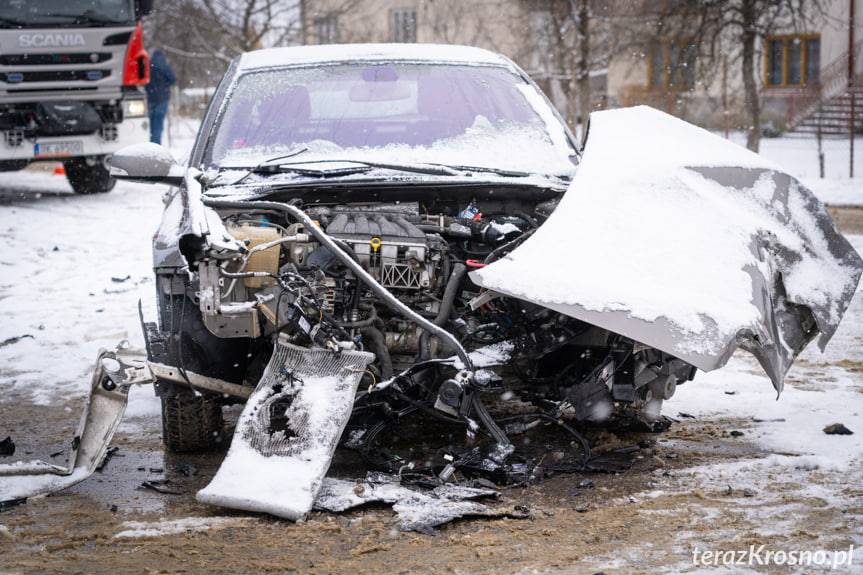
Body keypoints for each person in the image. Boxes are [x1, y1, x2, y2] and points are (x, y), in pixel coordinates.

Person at [146, 49, 176, 144]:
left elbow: (144, 81)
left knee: (151, 122)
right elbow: (173, 79)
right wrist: (165, 85)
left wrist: (149, 88)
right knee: (159, 122)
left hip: (150, 98)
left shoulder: (148, 66)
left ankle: (151, 142)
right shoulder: (164, 66)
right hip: (163, 98)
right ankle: (156, 144)